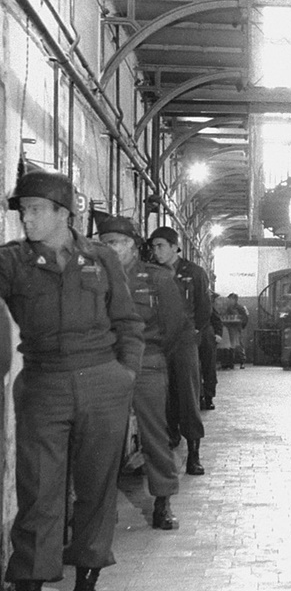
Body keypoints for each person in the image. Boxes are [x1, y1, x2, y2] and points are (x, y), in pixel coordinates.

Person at [0, 170, 144, 591]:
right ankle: (31, 577)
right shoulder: (12, 262)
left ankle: (88, 573)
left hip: (103, 381)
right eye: (23, 210)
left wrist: (126, 374)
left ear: (63, 214)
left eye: (35, 209)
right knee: (39, 486)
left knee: (97, 485)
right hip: (44, 384)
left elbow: (127, 321)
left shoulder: (101, 258)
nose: (26, 218)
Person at [98, 215, 186, 530]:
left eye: (116, 243)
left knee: (154, 436)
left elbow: (175, 328)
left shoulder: (157, 279)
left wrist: (156, 357)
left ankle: (163, 500)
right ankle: (96, 510)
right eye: (105, 242)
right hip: (106, 365)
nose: (109, 248)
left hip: (148, 362)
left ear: (134, 246)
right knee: (101, 438)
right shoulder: (95, 277)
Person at [148, 226, 211, 476]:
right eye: (153, 246)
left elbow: (204, 309)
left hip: (184, 341)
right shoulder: (151, 273)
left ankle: (194, 454)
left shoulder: (194, 273)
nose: (156, 251)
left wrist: (194, 334)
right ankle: (169, 440)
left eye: (160, 245)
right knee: (160, 394)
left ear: (175, 246)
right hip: (159, 340)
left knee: (188, 394)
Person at [198, 294, 223, 408]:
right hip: (203, 337)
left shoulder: (204, 302)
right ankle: (205, 397)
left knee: (208, 368)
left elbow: (216, 319)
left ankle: (207, 397)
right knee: (207, 368)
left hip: (205, 337)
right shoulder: (204, 301)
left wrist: (217, 334)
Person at [223, 292, 249, 368]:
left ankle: (242, 361)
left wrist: (241, 326)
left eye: (230, 299)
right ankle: (229, 362)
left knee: (238, 345)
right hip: (229, 327)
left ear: (234, 300)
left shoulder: (239, 308)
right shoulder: (227, 308)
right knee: (230, 345)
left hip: (236, 328)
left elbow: (244, 318)